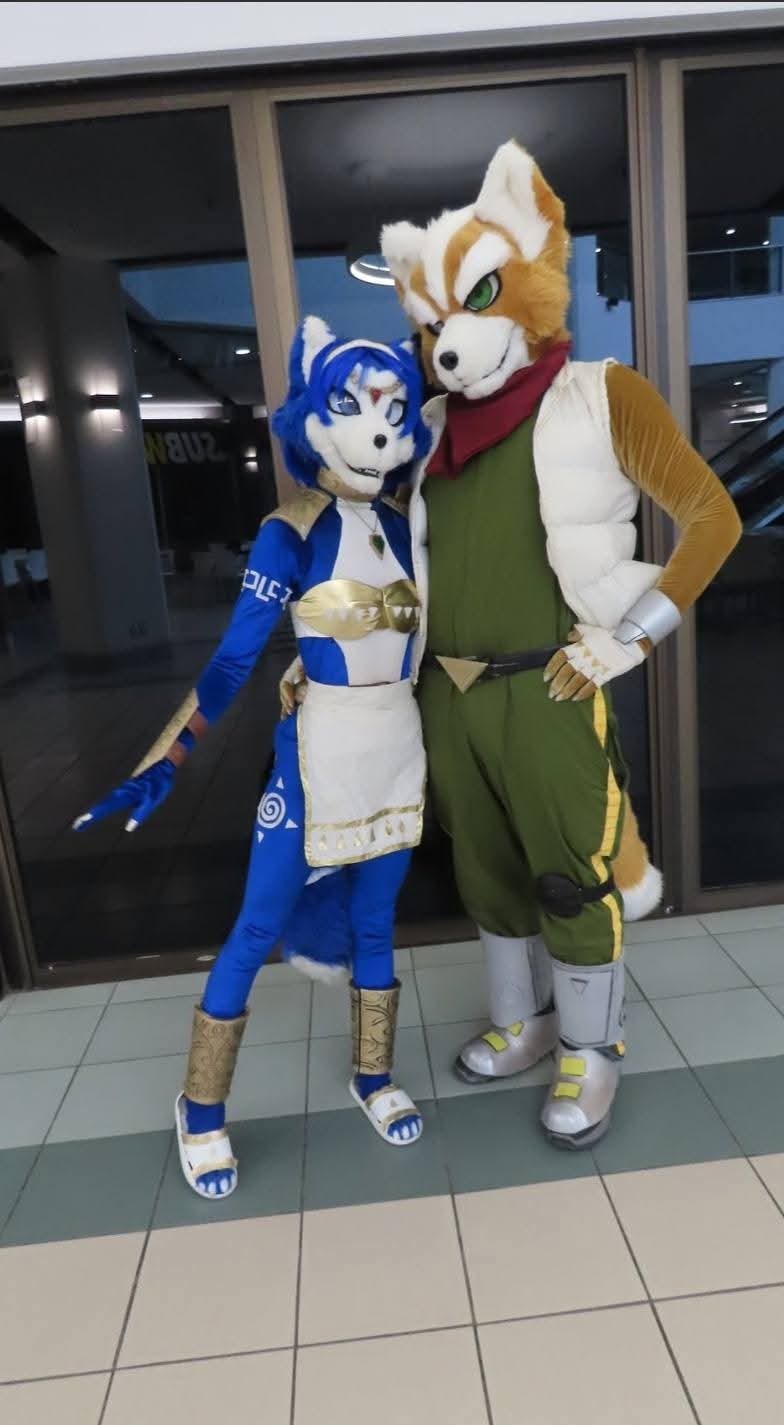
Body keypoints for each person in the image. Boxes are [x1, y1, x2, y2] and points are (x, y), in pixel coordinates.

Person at [380, 140, 741, 1147]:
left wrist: (632, 637)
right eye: (433, 321)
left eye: (476, 298)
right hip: (447, 693)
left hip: (549, 685)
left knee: (570, 870)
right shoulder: (431, 433)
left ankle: (590, 1046)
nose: (450, 339)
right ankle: (524, 1019)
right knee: (484, 869)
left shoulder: (599, 392)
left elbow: (713, 519)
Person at [74, 317, 432, 1197]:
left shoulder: (405, 523)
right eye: (353, 407)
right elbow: (235, 659)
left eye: (392, 411)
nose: (375, 430)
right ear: (314, 416)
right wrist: (167, 756)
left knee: (377, 922)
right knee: (256, 926)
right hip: (317, 757)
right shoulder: (288, 531)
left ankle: (374, 1075)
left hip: (395, 748)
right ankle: (200, 1107)